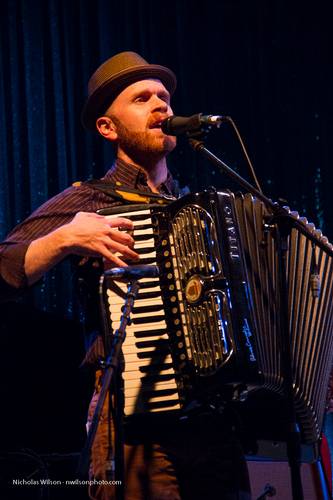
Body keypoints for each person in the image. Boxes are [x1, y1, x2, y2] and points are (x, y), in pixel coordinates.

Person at [0, 51, 251, 499]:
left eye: (164, 97)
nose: (161, 106)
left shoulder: (203, 213)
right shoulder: (89, 202)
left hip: (215, 427)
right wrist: (63, 239)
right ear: (107, 128)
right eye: (142, 98)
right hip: (133, 423)